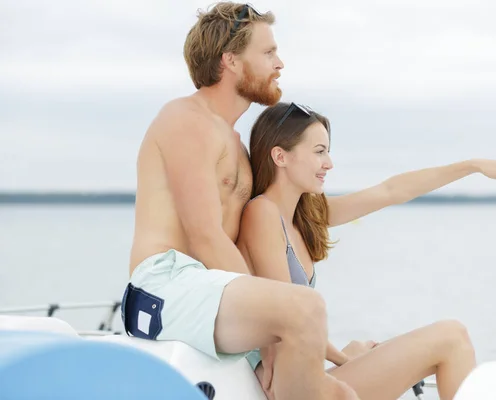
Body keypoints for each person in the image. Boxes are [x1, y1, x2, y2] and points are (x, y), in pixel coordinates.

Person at [121, 3, 358, 400]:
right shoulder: (184, 119)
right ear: (230, 60)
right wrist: (270, 335)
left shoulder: (234, 142)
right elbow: (205, 237)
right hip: (163, 286)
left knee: (340, 394)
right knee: (305, 307)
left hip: (214, 292)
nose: (279, 64)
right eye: (267, 53)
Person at [236, 102, 496, 400]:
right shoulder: (262, 213)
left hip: (307, 378)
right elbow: (286, 317)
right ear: (280, 156)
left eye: (328, 151)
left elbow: (391, 191)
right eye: (319, 152)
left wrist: (473, 166)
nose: (329, 163)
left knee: (446, 338)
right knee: (452, 336)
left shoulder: (305, 217)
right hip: (291, 388)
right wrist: (346, 360)